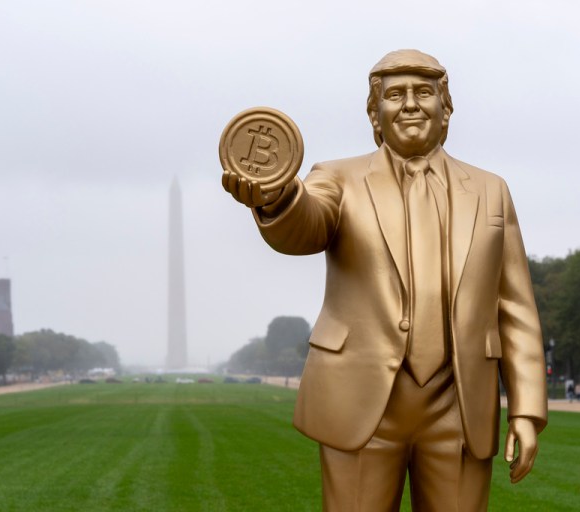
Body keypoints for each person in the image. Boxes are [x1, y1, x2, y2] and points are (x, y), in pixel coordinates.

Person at [222, 50, 547, 511]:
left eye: (424, 92)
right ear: (375, 114)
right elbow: (306, 223)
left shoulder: (492, 190)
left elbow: (515, 307)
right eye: (395, 95)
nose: (411, 104)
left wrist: (527, 409)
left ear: (446, 108)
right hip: (360, 400)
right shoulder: (337, 178)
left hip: (460, 403)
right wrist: (278, 197)